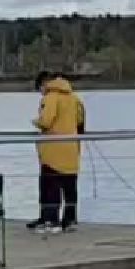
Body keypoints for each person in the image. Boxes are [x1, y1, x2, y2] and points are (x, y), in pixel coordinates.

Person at [29, 70, 86, 232]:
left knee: (49, 186)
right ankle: (70, 220)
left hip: (52, 151)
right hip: (71, 149)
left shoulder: (50, 98)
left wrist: (36, 122)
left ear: (43, 84)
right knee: (70, 188)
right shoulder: (75, 99)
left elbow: (46, 121)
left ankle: (50, 219)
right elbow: (80, 121)